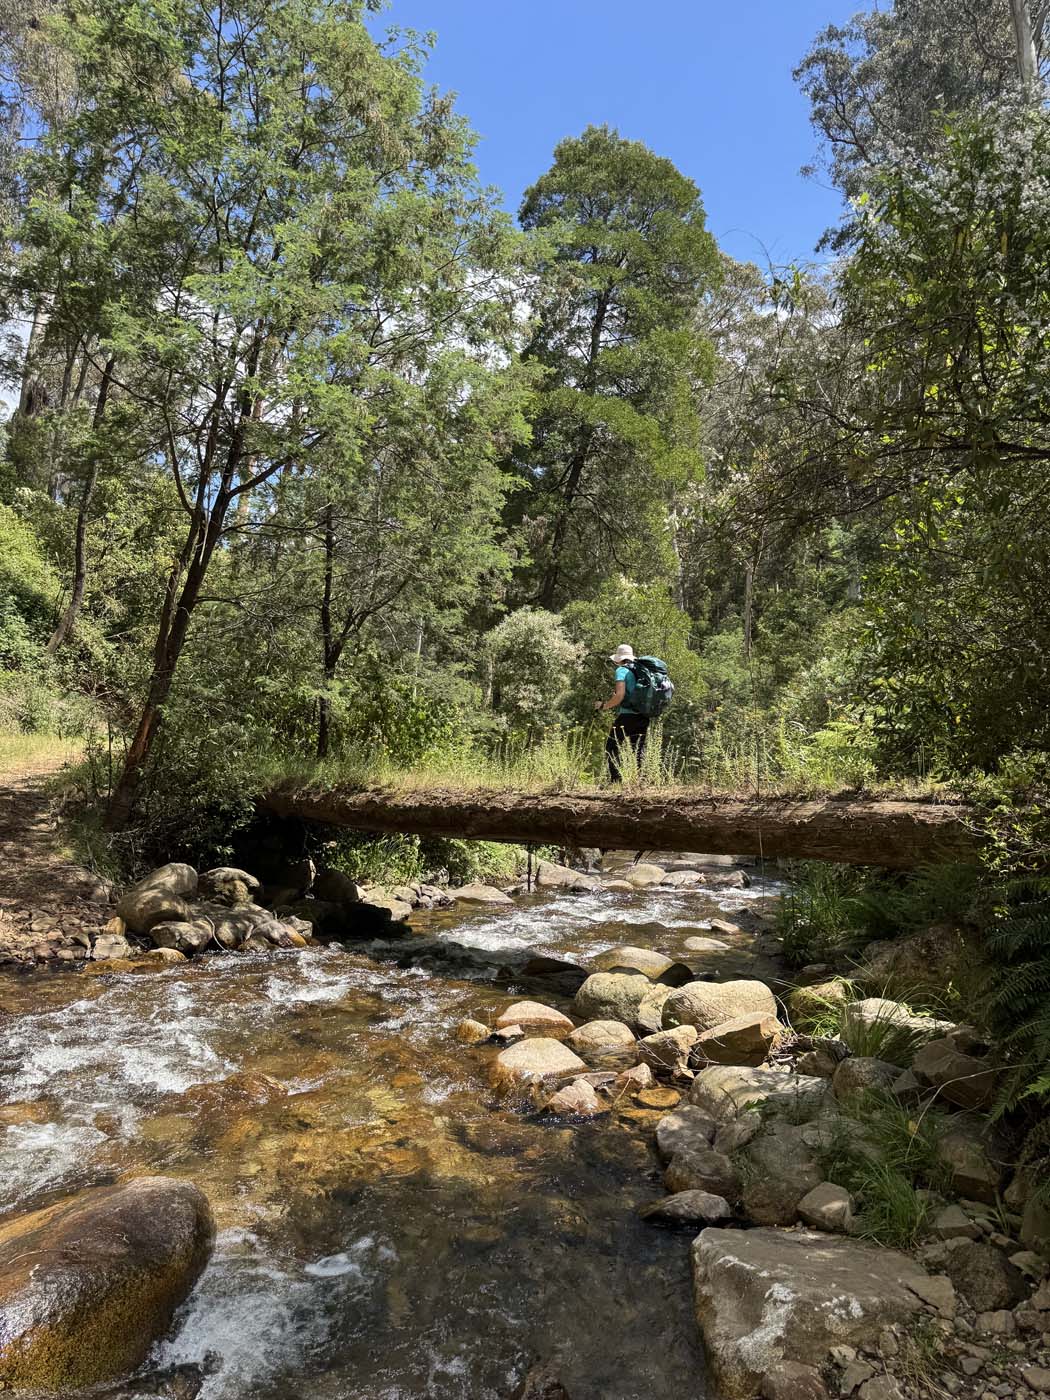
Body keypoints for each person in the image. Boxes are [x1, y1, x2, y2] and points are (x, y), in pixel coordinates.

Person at [595, 643, 649, 782]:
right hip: (643, 715)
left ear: (619, 659)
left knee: (611, 746)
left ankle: (616, 781)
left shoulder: (621, 671)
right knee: (638, 748)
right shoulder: (640, 670)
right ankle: (640, 781)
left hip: (627, 716)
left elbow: (619, 695)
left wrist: (604, 706)